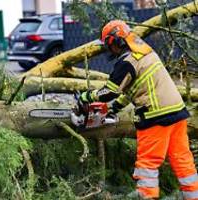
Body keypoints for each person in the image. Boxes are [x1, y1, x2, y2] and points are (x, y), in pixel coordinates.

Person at [80, 20, 198, 199]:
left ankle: (146, 197)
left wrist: (85, 97)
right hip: (177, 112)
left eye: (107, 45)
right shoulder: (144, 52)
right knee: (183, 161)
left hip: (156, 117)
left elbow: (109, 92)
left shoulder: (127, 63)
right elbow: (136, 87)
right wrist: (115, 108)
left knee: (147, 166)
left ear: (114, 42)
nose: (107, 50)